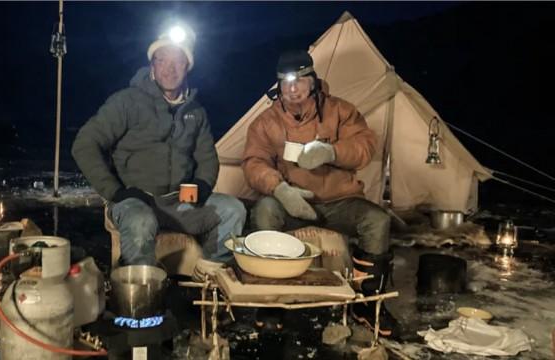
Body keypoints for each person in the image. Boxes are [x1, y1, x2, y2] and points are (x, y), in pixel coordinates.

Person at [242, 49, 399, 337]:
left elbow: (365, 146)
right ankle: (271, 302)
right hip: (292, 203)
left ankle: (366, 302)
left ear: (312, 81)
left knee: (377, 220)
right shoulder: (266, 122)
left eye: (300, 80)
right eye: (286, 82)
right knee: (264, 210)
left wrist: (332, 151)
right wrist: (280, 188)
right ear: (278, 85)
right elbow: (254, 162)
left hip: (339, 201)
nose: (292, 89)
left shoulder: (341, 111)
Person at [72, 23, 246, 281]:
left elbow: (207, 158)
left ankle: (210, 280)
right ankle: (140, 294)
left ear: (188, 66)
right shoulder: (127, 101)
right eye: (161, 60)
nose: (169, 68)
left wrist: (202, 184)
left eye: (178, 61)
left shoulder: (195, 112)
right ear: (152, 65)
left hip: (179, 203)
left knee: (234, 210)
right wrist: (116, 192)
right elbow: (84, 145)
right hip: (135, 201)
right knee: (141, 221)